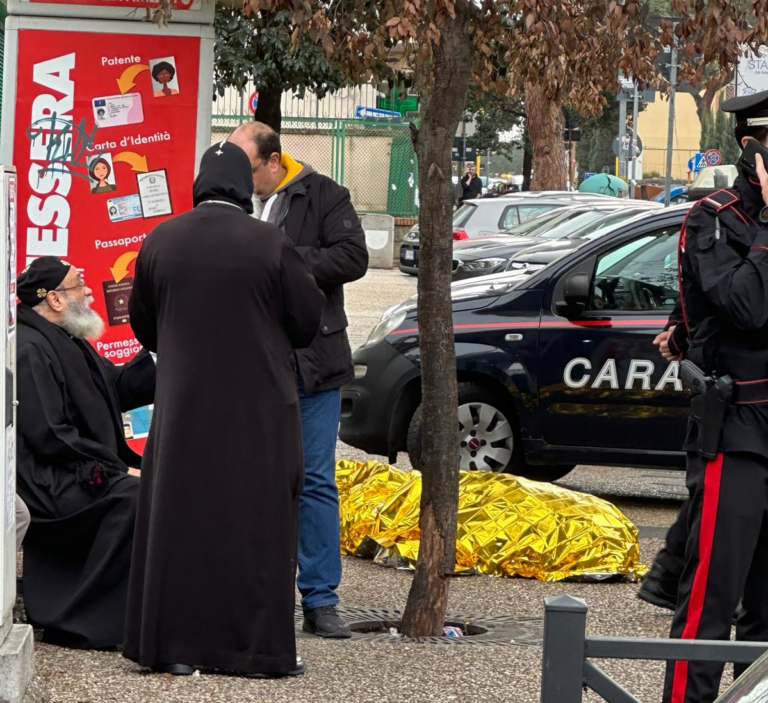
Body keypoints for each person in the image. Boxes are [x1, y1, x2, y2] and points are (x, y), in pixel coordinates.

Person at [123, 142, 325, 677]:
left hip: (184, 408)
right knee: (256, 524)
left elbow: (144, 324)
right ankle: (258, 652)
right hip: (258, 411)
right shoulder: (269, 243)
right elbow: (306, 321)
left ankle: (175, 647)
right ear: (242, 186)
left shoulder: (161, 240)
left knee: (181, 521)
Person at [228, 122, 368, 639]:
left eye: (249, 170)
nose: (243, 180)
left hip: (314, 360)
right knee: (249, 478)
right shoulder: (229, 199)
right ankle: (251, 591)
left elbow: (352, 257)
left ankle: (319, 599)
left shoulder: (325, 194)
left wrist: (282, 259)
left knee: (313, 480)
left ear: (272, 161)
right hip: (249, 363)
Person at [659, 88, 768, 703]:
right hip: (736, 430)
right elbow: (747, 308)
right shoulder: (715, 218)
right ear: (753, 148)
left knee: (766, 619)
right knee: (710, 601)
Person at [16, 256, 155, 649]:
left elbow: (118, 387)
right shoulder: (29, 347)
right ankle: (82, 619)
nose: (89, 291)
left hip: (75, 467)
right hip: (48, 482)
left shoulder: (68, 339)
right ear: (56, 300)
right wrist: (115, 470)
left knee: (163, 483)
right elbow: (50, 437)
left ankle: (148, 609)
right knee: (133, 496)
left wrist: (163, 354)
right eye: (79, 284)